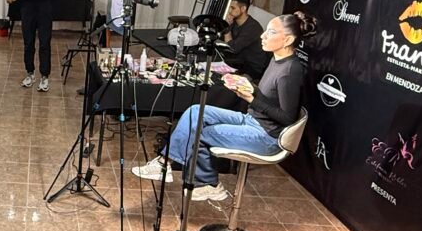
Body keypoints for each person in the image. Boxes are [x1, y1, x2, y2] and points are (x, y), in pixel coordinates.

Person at [132, 12, 316, 199]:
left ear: (288, 40)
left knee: (200, 133)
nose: (263, 36)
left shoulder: (289, 71)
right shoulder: (276, 60)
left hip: (266, 136)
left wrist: (251, 99)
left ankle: (208, 183)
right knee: (196, 112)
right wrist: (247, 85)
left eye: (271, 32)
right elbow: (270, 96)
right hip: (252, 119)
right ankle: (164, 164)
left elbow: (287, 118)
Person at [223, 0, 270, 80]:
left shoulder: (253, 27)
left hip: (251, 68)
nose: (229, 11)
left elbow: (232, 49)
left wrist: (227, 29)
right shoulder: (233, 22)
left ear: (243, 9)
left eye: (233, 8)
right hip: (238, 62)